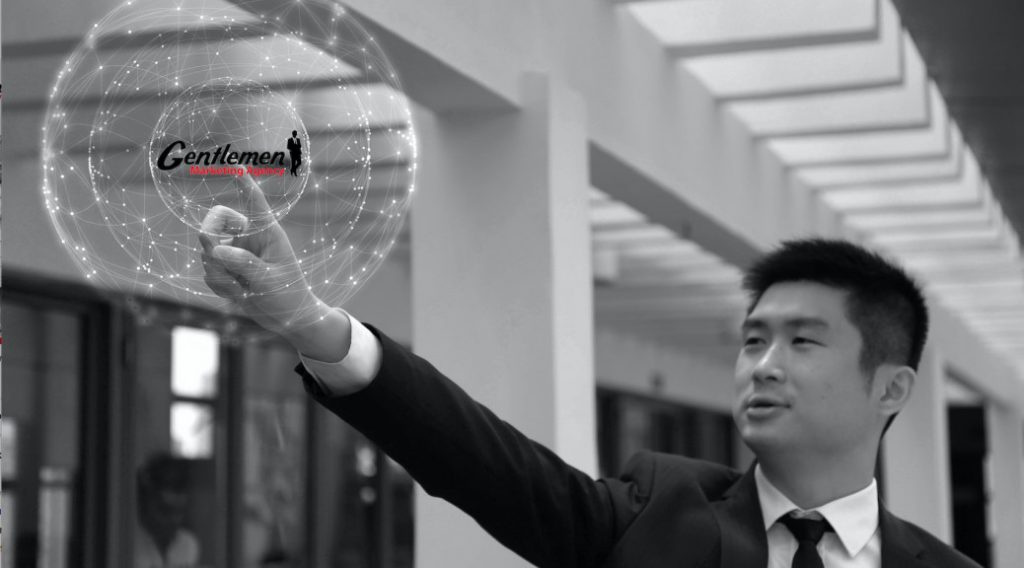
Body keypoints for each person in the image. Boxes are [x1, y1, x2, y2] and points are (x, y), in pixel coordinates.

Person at [198, 177, 979, 568]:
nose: (763, 366)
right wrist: (312, 324)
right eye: (753, 341)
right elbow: (481, 462)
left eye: (802, 342)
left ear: (891, 387)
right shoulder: (655, 514)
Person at [135, 453, 201, 568]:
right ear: (145, 504)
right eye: (165, 511)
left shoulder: (188, 544)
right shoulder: (127, 544)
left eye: (180, 512)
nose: (175, 520)